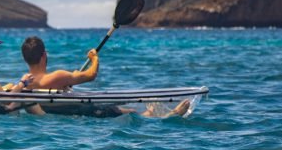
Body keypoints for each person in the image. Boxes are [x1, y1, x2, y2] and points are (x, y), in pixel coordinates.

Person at [16, 36, 190, 117]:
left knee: (122, 111)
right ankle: (167, 115)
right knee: (125, 112)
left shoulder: (25, 83)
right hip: (84, 112)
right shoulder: (57, 76)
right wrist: (94, 58)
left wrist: (71, 79)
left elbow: (65, 81)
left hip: (62, 114)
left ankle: (152, 114)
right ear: (44, 56)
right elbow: (91, 75)